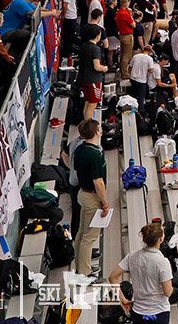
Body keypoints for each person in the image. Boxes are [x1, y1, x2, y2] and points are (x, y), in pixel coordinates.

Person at [109, 222, 174, 324]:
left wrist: (122, 299)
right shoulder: (162, 262)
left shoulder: (132, 256)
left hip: (138, 312)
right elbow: (168, 292)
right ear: (160, 239)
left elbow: (112, 277)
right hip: (159, 312)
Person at [74, 118, 110, 275]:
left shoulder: (80, 149)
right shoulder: (94, 154)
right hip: (92, 197)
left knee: (81, 233)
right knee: (89, 237)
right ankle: (84, 272)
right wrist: (105, 203)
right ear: (96, 132)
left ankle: (81, 266)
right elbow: (98, 183)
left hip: (82, 193)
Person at [78, 25, 109, 120]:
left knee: (87, 102)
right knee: (92, 104)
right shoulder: (95, 49)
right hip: (94, 80)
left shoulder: (83, 46)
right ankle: (88, 127)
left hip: (84, 78)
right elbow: (97, 66)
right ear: (97, 36)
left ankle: (85, 124)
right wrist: (104, 68)